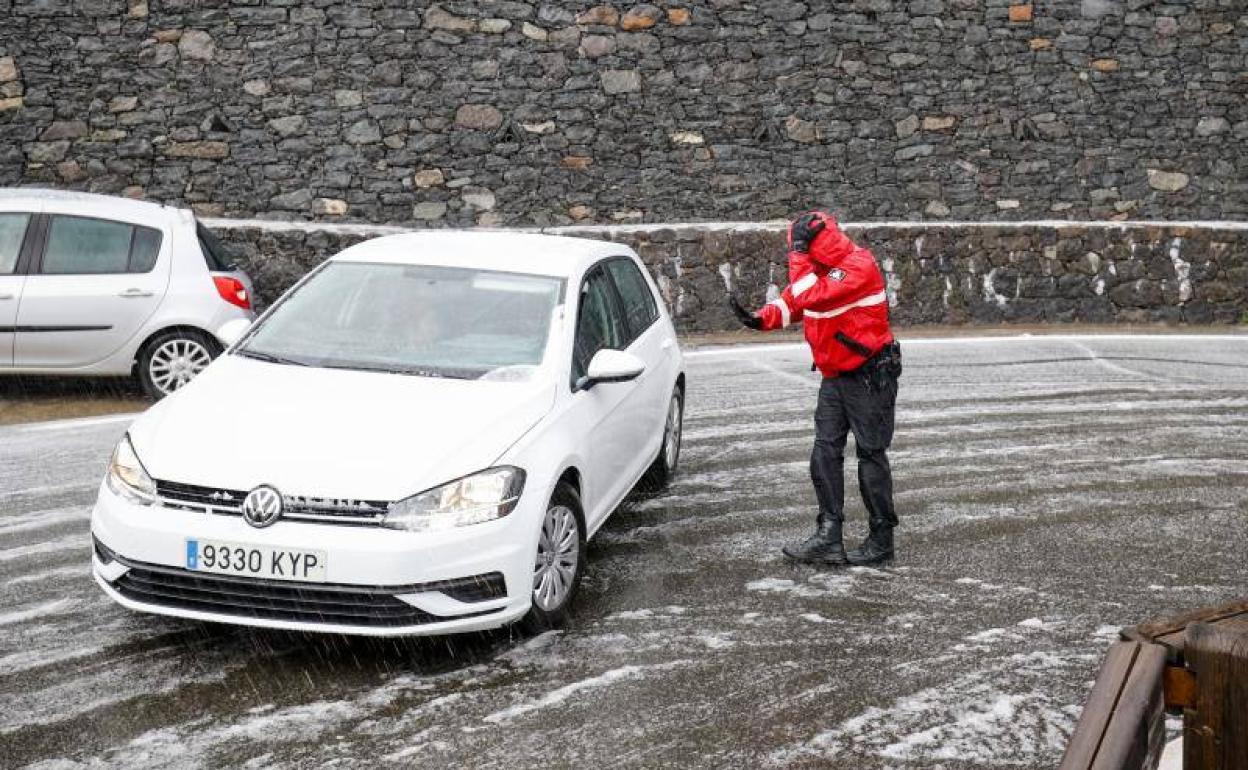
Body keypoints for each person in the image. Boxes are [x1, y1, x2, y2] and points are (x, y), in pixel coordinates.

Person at [729, 212, 902, 566]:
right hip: (835, 375)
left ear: (812, 245)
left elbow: (811, 296)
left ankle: (882, 539)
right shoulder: (821, 269)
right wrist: (760, 319)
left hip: (870, 374)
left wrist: (798, 254)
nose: (796, 252)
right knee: (824, 453)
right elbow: (794, 301)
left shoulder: (858, 265)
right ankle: (828, 535)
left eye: (800, 246)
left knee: (871, 455)